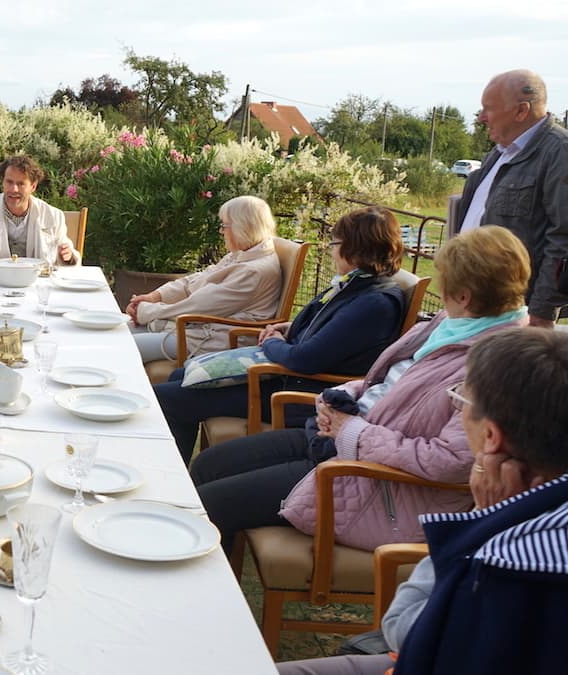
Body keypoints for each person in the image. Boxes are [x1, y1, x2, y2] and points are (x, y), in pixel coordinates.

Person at [190, 226, 530, 556]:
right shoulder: (454, 323)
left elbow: (451, 461)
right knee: (209, 465)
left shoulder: (496, 365)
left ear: (464, 295)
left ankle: (206, 597)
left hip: (375, 486)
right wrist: (341, 395)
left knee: (210, 506)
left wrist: (354, 431)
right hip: (339, 442)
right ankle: (217, 573)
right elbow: (385, 381)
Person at [277, 328, 568, 675]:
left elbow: (404, 628)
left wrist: (483, 521)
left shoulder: (504, 563)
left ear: (490, 436)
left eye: (460, 398)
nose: (457, 407)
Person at [156, 207, 407, 463]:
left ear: (355, 249)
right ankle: (174, 464)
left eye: (335, 243)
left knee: (167, 398)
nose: (332, 250)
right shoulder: (358, 285)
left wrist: (271, 343)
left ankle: (170, 473)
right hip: (282, 377)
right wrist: (289, 328)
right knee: (180, 376)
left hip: (294, 392)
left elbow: (303, 359)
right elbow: (325, 329)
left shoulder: (373, 303)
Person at [453, 69, 568, 328]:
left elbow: (563, 238)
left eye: (488, 109)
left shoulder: (559, 153)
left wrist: (542, 311)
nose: (481, 117)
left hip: (513, 314)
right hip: (473, 305)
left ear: (521, 111)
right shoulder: (500, 152)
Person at [126, 195, 284, 364]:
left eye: (224, 225)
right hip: (196, 329)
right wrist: (155, 296)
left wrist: (146, 311)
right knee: (116, 334)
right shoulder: (245, 254)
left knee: (121, 348)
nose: (221, 231)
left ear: (242, 227)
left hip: (211, 340)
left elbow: (198, 309)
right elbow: (195, 281)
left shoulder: (252, 271)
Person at [0, 155, 81, 265]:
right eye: (9, 182)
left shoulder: (53, 216)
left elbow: (65, 255)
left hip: (36, 284)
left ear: (33, 186)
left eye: (20, 184)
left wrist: (67, 256)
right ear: (3, 182)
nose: (14, 189)